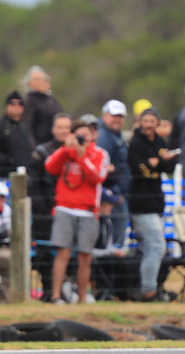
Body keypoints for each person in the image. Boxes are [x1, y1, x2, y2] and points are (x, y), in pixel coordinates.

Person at [44, 118, 108, 304]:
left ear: (92, 136)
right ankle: (56, 296)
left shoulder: (99, 154)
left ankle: (81, 297)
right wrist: (66, 149)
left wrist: (82, 156)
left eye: (85, 134)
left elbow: (97, 177)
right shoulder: (65, 151)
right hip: (65, 208)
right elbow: (50, 166)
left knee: (84, 256)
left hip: (88, 212)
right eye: (78, 134)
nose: (82, 138)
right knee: (62, 253)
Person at [128, 107, 179, 301]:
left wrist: (158, 162)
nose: (149, 125)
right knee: (157, 246)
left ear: (157, 123)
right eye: (145, 121)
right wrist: (157, 162)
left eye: (152, 121)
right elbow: (142, 170)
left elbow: (168, 166)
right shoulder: (136, 143)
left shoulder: (158, 141)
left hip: (156, 201)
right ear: (140, 122)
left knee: (152, 247)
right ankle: (148, 289)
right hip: (141, 202)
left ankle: (150, 287)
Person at [28, 112, 72, 243]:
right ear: (53, 129)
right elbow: (33, 183)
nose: (64, 131)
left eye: (67, 127)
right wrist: (43, 208)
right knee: (44, 251)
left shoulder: (79, 151)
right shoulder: (41, 152)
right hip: (45, 210)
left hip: (70, 209)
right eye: (60, 127)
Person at [96, 99, 130, 247]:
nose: (117, 119)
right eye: (114, 115)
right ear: (104, 115)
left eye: (120, 116)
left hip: (117, 193)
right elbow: (103, 169)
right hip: (112, 196)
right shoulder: (104, 137)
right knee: (114, 238)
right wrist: (112, 195)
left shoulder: (116, 135)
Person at [21, 65, 63, 145]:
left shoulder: (50, 99)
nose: (40, 81)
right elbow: (27, 126)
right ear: (30, 83)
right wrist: (34, 148)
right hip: (41, 145)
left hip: (55, 143)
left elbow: (62, 114)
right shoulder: (29, 100)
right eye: (36, 79)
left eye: (42, 79)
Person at [0, 90, 34, 178]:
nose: (16, 106)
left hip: (22, 174)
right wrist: (9, 160)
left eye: (20, 104)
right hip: (4, 175)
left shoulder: (24, 127)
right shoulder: (2, 125)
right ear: (6, 105)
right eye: (12, 103)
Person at [0, 182, 10, 299]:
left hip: (5, 248)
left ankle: (9, 299)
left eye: (2, 197)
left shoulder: (8, 211)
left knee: (9, 260)